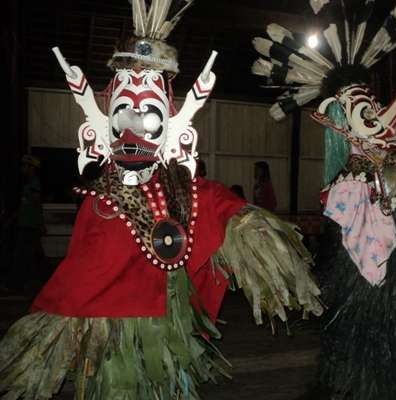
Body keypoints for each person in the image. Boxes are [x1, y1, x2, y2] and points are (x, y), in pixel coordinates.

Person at [0, 2, 322, 399]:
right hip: (116, 330)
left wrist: (248, 225)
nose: (134, 126)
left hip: (169, 326)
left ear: (172, 123)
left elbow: (215, 204)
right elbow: (80, 274)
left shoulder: (182, 189)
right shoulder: (99, 202)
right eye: (123, 114)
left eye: (149, 116)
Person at [253, 2, 396, 399]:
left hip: (394, 293)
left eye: (372, 105)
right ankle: (341, 379)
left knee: (384, 342)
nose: (375, 112)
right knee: (350, 333)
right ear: (339, 121)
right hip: (357, 294)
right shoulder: (345, 185)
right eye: (362, 108)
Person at [8, 155, 45, 291]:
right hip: (26, 224)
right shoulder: (28, 184)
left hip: (30, 226)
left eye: (25, 166)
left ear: (32, 168)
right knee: (30, 256)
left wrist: (40, 224)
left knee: (22, 256)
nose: (23, 169)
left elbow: (36, 205)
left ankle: (17, 284)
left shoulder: (34, 184)